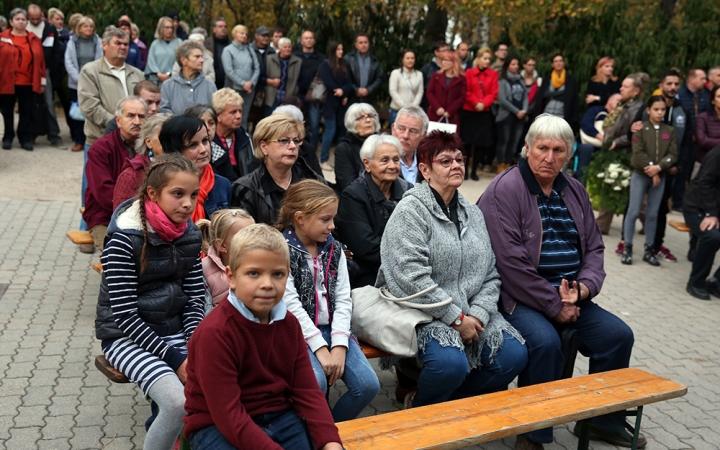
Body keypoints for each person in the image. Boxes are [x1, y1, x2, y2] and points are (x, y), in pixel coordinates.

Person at [478, 114, 640, 450]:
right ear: (527, 148)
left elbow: (595, 245)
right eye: (542, 148)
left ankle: (602, 422)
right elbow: (510, 264)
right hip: (517, 297)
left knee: (617, 336)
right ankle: (532, 433)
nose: (549, 157)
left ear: (569, 154)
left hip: (570, 294)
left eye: (558, 150)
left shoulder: (574, 189)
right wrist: (553, 305)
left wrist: (584, 289)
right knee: (546, 342)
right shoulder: (505, 190)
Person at [377, 130, 527, 409]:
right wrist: (455, 318)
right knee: (449, 364)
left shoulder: (473, 213)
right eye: (445, 161)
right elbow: (408, 278)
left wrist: (478, 315)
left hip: (471, 310)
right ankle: (421, 411)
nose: (457, 165)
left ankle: (445, 407)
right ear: (425, 170)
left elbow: (491, 274)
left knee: (513, 355)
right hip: (423, 310)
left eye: (460, 159)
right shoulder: (411, 211)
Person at [182, 223, 344, 449]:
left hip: (279, 413)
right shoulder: (215, 333)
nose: (267, 284)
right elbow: (228, 414)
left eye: (277, 274)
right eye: (253, 273)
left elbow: (307, 391)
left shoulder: (289, 324)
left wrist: (330, 441)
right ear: (231, 276)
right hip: (216, 424)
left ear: (287, 276)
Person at [96, 153, 205, 450]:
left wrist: (194, 344)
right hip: (126, 337)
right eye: (178, 194)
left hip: (176, 331)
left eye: (194, 195)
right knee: (176, 403)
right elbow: (125, 316)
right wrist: (176, 359)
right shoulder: (124, 239)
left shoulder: (190, 234)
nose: (188, 203)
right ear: (153, 194)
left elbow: (195, 297)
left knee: (214, 387)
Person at [277, 180, 380, 420]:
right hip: (297, 334)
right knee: (316, 383)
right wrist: (321, 349)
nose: (332, 226)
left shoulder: (333, 249)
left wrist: (340, 345)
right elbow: (289, 304)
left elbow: (344, 298)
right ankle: (309, 436)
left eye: (333, 218)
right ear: (300, 218)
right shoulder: (281, 250)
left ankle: (331, 431)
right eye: (325, 219)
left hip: (335, 330)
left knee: (367, 386)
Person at [336, 135, 412, 287]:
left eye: (396, 160)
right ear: (367, 164)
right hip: (369, 274)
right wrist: (409, 258)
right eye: (385, 160)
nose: (392, 166)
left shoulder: (409, 192)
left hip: (408, 268)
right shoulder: (354, 195)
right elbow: (366, 247)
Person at [231, 113, 324, 224]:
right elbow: (243, 236)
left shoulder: (314, 181)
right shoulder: (246, 189)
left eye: (296, 140)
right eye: (284, 141)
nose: (293, 146)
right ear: (264, 147)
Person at [83, 97, 148, 251]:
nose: (137, 121)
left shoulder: (151, 146)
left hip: (146, 216)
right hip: (105, 216)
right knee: (116, 253)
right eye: (131, 116)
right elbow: (104, 193)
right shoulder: (101, 149)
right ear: (118, 120)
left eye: (142, 117)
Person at [622, 96, 677, 266]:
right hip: (641, 175)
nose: (660, 113)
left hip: (660, 176)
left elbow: (673, 154)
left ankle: (649, 248)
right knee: (633, 211)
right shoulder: (640, 128)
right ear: (648, 110)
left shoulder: (669, 131)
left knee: (653, 214)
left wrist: (659, 168)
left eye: (662, 110)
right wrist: (652, 170)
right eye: (656, 109)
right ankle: (627, 247)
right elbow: (637, 153)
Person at [595, 72, 650, 236]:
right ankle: (601, 225)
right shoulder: (623, 104)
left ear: (636, 91)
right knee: (612, 185)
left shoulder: (638, 109)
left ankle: (650, 222)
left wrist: (616, 142)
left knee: (630, 192)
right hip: (614, 151)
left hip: (627, 154)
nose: (621, 88)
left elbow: (634, 133)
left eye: (625, 86)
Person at [646, 70, 688, 262]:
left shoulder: (682, 111)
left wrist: (678, 166)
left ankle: (656, 244)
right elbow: (637, 133)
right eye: (669, 83)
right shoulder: (651, 105)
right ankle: (625, 242)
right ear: (661, 85)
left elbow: (687, 142)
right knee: (635, 205)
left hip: (669, 169)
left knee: (662, 208)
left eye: (676, 84)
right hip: (645, 167)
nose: (672, 87)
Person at [159, 115, 233, 220]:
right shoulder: (161, 185)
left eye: (205, 141)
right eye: (192, 145)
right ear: (175, 151)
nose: (203, 150)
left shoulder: (222, 185)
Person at [0, 8, 46, 151]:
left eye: (23, 19)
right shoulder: (2, 38)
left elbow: (42, 62)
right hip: (7, 81)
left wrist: (42, 81)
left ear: (27, 22)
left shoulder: (34, 39)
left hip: (28, 82)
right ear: (11, 21)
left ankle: (24, 137)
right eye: (18, 19)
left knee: (26, 111)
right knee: (7, 111)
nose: (21, 22)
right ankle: (8, 137)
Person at [112, 112, 172, 211]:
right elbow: (120, 218)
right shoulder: (132, 175)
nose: (171, 142)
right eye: (164, 138)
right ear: (149, 142)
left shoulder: (185, 167)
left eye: (175, 137)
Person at [683, 146, 720, 300]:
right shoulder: (717, 154)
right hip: (696, 207)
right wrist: (711, 213)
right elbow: (704, 184)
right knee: (712, 237)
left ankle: (716, 282)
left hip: (716, 212)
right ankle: (696, 282)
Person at [197, 209, 255, 308]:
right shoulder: (203, 269)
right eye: (245, 236)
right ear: (222, 245)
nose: (254, 241)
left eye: (255, 235)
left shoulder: (260, 265)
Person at [27, 4, 64, 146]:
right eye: (32, 19)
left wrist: (51, 70)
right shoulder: (25, 29)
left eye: (38, 18)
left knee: (49, 102)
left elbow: (56, 51)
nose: (35, 21)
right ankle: (30, 134)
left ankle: (53, 134)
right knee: (30, 102)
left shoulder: (50, 28)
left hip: (46, 70)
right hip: (28, 71)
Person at [65, 16, 103, 152]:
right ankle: (78, 140)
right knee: (76, 113)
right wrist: (79, 78)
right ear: (79, 28)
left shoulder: (97, 41)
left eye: (91, 27)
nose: (89, 29)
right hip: (75, 83)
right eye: (86, 26)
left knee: (91, 110)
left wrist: (91, 78)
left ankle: (93, 139)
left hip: (94, 82)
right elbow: (68, 61)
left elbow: (100, 59)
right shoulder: (72, 41)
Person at [461, 46, 498, 179]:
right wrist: (476, 103)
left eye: (489, 59)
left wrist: (483, 104)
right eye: (485, 58)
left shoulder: (493, 74)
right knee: (467, 143)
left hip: (484, 113)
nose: (487, 61)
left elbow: (493, 92)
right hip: (469, 111)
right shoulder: (470, 72)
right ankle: (464, 169)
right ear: (479, 58)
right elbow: (467, 90)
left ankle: (474, 170)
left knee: (480, 144)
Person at [675, 68, 710, 210]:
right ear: (691, 79)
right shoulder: (680, 94)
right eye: (701, 78)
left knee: (692, 171)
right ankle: (677, 202)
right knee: (681, 170)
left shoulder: (705, 95)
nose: (704, 81)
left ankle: (689, 202)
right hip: (684, 138)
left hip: (699, 141)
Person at [318, 41, 353, 171]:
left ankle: (337, 159)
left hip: (341, 103)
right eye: (338, 49)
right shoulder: (326, 64)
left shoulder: (344, 64)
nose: (341, 52)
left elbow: (349, 82)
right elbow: (327, 81)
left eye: (342, 49)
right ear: (333, 50)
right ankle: (323, 159)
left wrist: (343, 92)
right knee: (330, 130)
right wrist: (338, 90)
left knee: (340, 130)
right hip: (329, 103)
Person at [160, 41, 217, 115]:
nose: (202, 60)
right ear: (184, 60)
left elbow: (215, 112)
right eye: (197, 57)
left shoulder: (210, 86)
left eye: (201, 57)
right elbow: (164, 110)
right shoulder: (168, 86)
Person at [334, 103, 380, 192]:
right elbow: (348, 184)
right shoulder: (344, 148)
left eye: (370, 116)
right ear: (352, 123)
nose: (368, 120)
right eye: (361, 118)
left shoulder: (383, 144)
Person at [575, 93, 621, 181]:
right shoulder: (596, 110)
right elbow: (586, 124)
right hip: (588, 142)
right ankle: (581, 183)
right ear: (609, 100)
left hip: (608, 146)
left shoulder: (620, 117)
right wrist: (600, 137)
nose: (620, 103)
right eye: (618, 100)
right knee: (587, 149)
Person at [211, 88, 254, 182]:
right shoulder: (208, 142)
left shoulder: (247, 139)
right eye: (233, 112)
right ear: (218, 116)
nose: (239, 116)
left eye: (240, 111)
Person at [222, 24, 259, 130]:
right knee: (232, 115)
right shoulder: (228, 50)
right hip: (234, 89)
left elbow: (257, 68)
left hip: (248, 91)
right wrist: (243, 83)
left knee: (244, 116)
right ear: (234, 34)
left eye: (246, 34)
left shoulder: (250, 49)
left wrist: (251, 83)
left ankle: (243, 137)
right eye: (241, 33)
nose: (244, 36)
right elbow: (229, 70)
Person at [495, 55, 528, 173]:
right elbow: (502, 100)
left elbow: (525, 96)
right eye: (513, 64)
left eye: (517, 64)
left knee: (514, 142)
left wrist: (524, 110)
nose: (516, 66)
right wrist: (516, 111)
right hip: (506, 116)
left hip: (519, 117)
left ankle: (508, 163)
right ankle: (500, 163)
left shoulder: (520, 79)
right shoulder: (503, 80)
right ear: (507, 66)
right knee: (504, 141)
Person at [294, 30, 325, 151]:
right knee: (296, 125)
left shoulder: (321, 58)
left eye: (311, 38)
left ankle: (311, 152)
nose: (309, 40)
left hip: (314, 97)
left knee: (314, 125)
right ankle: (297, 150)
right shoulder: (295, 56)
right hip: (298, 95)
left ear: (314, 40)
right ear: (301, 41)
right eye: (306, 38)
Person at [533, 54, 580, 132]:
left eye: (560, 61)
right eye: (556, 61)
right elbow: (544, 95)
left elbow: (571, 97)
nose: (558, 63)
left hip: (562, 114)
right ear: (552, 64)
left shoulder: (570, 79)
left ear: (563, 63)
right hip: (547, 113)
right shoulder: (548, 79)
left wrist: (552, 95)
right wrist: (562, 93)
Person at [425, 51, 467, 130]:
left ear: (454, 62)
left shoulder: (461, 79)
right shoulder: (436, 75)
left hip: (452, 116)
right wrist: (437, 107)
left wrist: (450, 111)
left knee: (449, 140)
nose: (444, 62)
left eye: (447, 60)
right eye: (443, 60)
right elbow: (429, 92)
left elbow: (462, 97)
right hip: (435, 114)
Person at [263, 37, 301, 116]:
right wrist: (271, 81)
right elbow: (261, 77)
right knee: (270, 119)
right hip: (272, 96)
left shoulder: (298, 61)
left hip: (289, 95)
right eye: (285, 47)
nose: (287, 49)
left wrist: (296, 90)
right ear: (279, 48)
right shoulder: (269, 59)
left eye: (289, 47)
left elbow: (301, 79)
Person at [343, 33, 384, 105]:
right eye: (360, 43)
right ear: (356, 45)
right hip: (351, 98)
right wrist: (355, 90)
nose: (363, 45)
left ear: (369, 44)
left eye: (365, 42)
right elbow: (344, 76)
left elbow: (379, 77)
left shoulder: (374, 60)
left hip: (369, 99)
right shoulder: (348, 58)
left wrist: (369, 90)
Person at [392, 105, 428, 184]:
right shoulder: (379, 160)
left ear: (423, 135)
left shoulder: (428, 162)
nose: (405, 136)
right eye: (401, 129)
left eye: (413, 131)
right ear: (393, 129)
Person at [388, 49, 423, 126]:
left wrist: (413, 107)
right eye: (408, 58)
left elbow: (420, 92)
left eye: (412, 58)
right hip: (397, 110)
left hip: (413, 111)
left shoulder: (419, 74)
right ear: (403, 59)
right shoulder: (396, 73)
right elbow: (393, 91)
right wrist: (404, 106)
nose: (410, 60)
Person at [145, 17, 181, 85]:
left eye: (171, 27)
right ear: (161, 28)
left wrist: (169, 73)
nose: (170, 30)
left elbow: (179, 60)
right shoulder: (155, 44)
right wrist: (158, 74)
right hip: (156, 80)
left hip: (173, 79)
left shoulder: (178, 43)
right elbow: (151, 61)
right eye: (167, 27)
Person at [249, 25, 274, 111]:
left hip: (267, 87)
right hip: (252, 86)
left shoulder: (272, 51)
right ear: (256, 36)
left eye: (267, 36)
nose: (266, 38)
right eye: (263, 36)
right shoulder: (249, 49)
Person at [696, 85, 720, 163]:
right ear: (713, 100)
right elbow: (702, 141)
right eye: (719, 96)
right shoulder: (703, 118)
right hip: (706, 162)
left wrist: (711, 140)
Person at [205, 18, 229, 90]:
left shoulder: (231, 43)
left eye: (225, 26)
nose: (223, 28)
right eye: (220, 26)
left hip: (228, 80)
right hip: (213, 80)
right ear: (214, 29)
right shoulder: (207, 43)